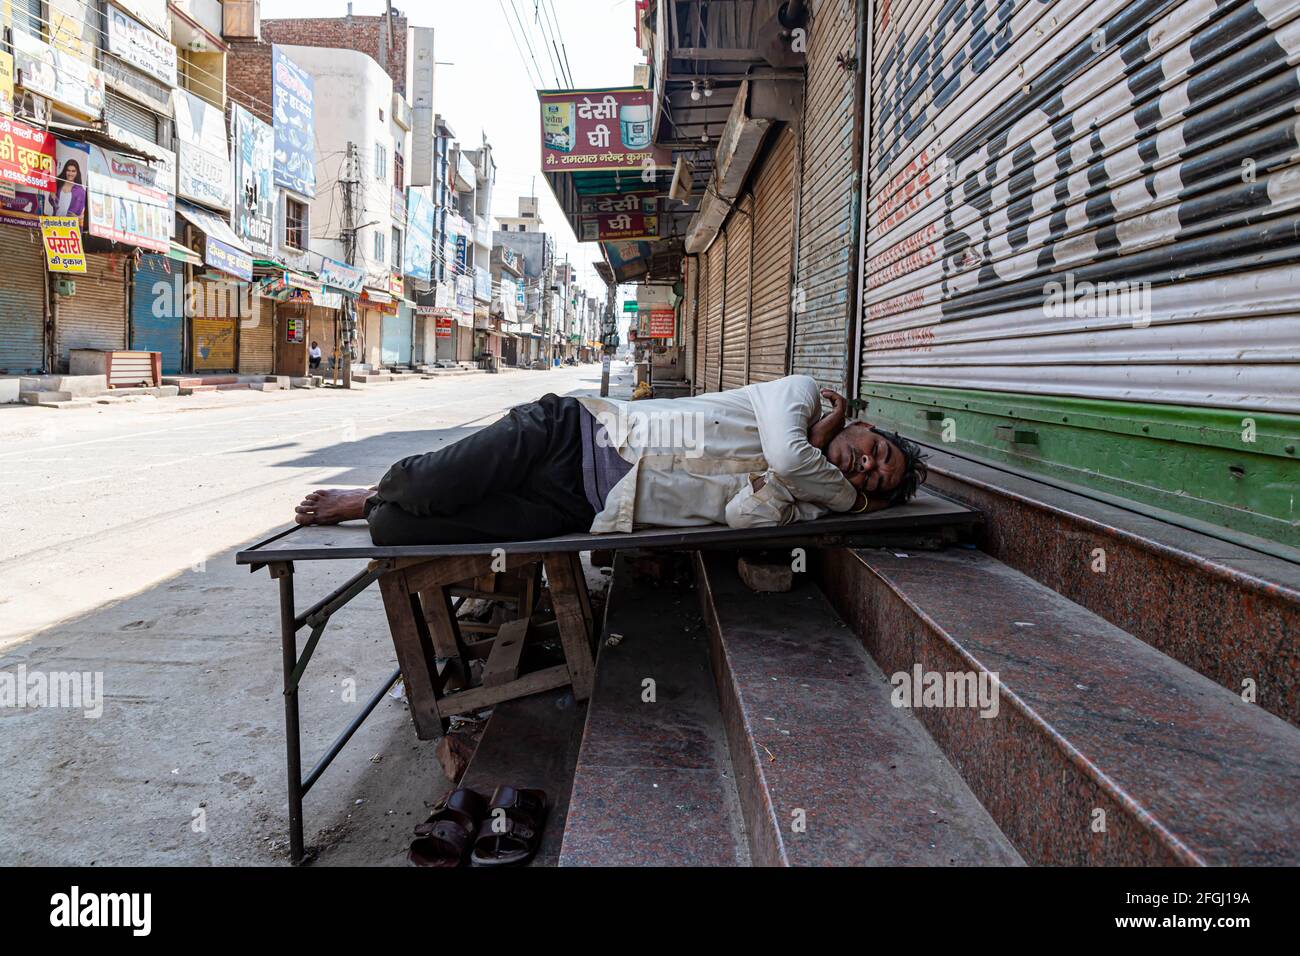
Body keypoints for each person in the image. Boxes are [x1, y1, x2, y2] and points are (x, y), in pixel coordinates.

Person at [294, 374, 928, 545]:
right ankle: (364, 492)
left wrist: (817, 490)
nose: (866, 466)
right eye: (876, 452)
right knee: (421, 481)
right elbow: (790, 455)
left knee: (398, 529)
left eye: (876, 478)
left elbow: (743, 517)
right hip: (571, 432)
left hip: (582, 506)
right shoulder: (797, 393)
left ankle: (372, 507)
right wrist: (845, 482)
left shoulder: (807, 497)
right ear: (862, 424)